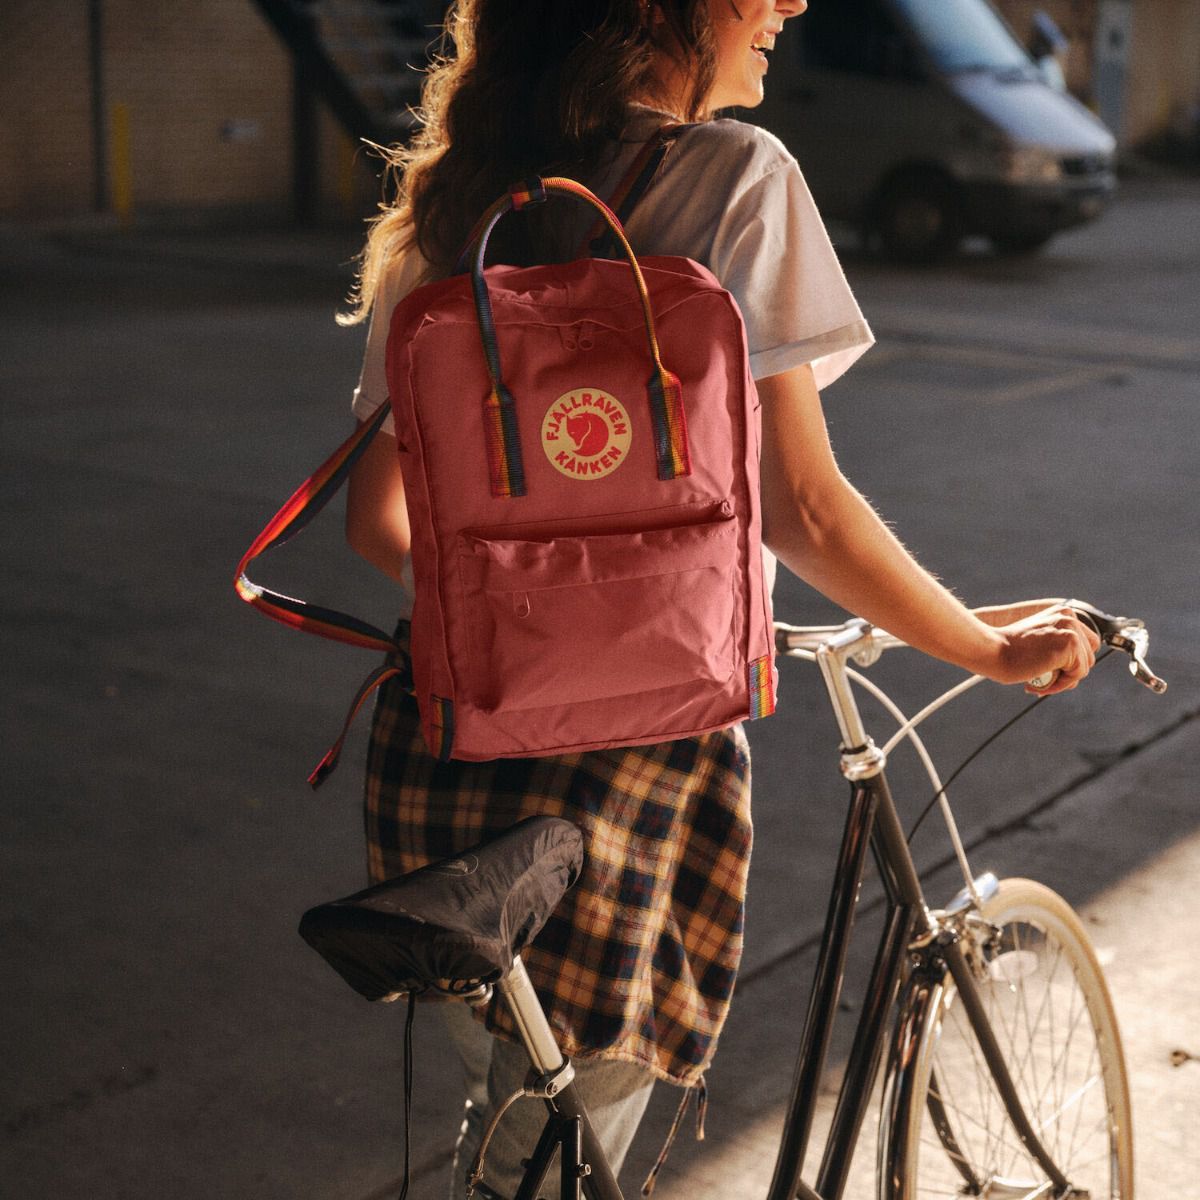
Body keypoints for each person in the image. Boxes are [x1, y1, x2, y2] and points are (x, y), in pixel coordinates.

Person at [339, 2, 1100, 1195]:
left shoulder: (454, 202)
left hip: (446, 762)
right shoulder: (738, 175)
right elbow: (803, 510)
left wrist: (530, 625)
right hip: (626, 789)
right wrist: (986, 650)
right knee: (561, 1163)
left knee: (512, 1138)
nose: (792, 3)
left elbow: (377, 519)